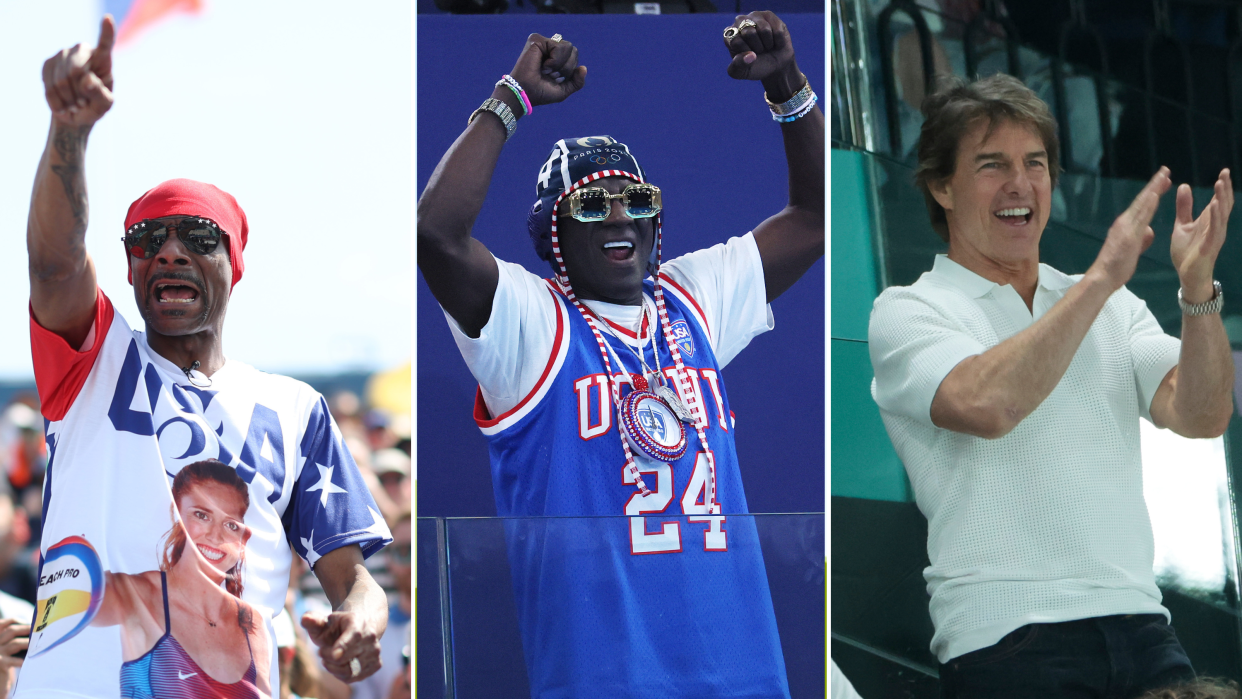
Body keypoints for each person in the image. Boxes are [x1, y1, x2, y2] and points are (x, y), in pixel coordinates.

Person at [417, 11, 822, 698]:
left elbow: (813, 216)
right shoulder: (534, 321)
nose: (617, 216)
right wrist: (510, 100)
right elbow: (437, 234)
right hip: (606, 678)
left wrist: (786, 84)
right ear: (551, 232)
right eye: (589, 205)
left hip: (744, 669)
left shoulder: (690, 298)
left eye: (634, 200)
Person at [18, 16, 391, 696]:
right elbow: (53, 261)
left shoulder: (295, 408)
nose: (169, 250)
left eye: (197, 235)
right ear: (130, 270)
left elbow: (353, 577)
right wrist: (68, 133)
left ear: (233, 263)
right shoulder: (92, 362)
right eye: (146, 240)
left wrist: (364, 616)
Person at [868, 73, 1234, 697]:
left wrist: (1197, 290)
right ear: (940, 186)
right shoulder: (908, 309)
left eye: (1034, 163)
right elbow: (988, 403)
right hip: (1007, 639)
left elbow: (1201, 414)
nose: (1020, 183)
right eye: (992, 164)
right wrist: (1099, 281)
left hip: (1144, 625)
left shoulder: (1114, 307)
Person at [92, 461, 271, 698]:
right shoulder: (136, 591)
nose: (215, 536)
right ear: (176, 516)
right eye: (201, 515)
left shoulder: (251, 623)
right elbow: (69, 613)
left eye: (230, 525)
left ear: (243, 540)